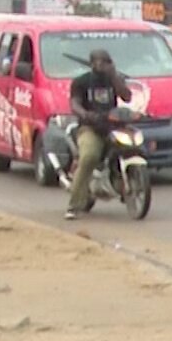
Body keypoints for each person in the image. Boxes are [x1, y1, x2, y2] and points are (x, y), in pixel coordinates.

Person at [65, 49, 132, 220]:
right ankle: (74, 204)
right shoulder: (82, 82)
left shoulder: (114, 80)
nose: (103, 64)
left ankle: (126, 185)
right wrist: (86, 114)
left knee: (131, 148)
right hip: (90, 127)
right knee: (89, 156)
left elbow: (127, 97)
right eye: (100, 61)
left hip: (113, 127)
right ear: (92, 63)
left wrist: (114, 76)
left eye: (107, 61)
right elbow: (74, 104)